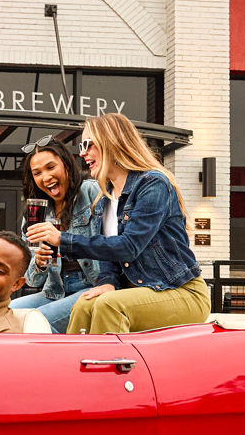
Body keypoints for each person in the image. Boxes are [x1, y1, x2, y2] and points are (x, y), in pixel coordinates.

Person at [26, 113, 210, 334]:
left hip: (181, 292)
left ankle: (106, 358)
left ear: (111, 142)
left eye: (88, 144)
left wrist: (63, 240)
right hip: (139, 292)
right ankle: (71, 357)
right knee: (84, 304)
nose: (82, 153)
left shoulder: (153, 184)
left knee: (108, 305)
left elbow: (128, 246)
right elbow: (109, 254)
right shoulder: (105, 198)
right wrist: (108, 281)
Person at [9, 137, 120, 333]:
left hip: (93, 285)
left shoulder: (91, 191)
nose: (45, 177)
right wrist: (39, 263)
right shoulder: (36, 213)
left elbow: (112, 241)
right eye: (37, 173)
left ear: (66, 165)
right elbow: (33, 281)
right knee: (5, 314)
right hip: (55, 291)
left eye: (50, 167)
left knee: (36, 323)